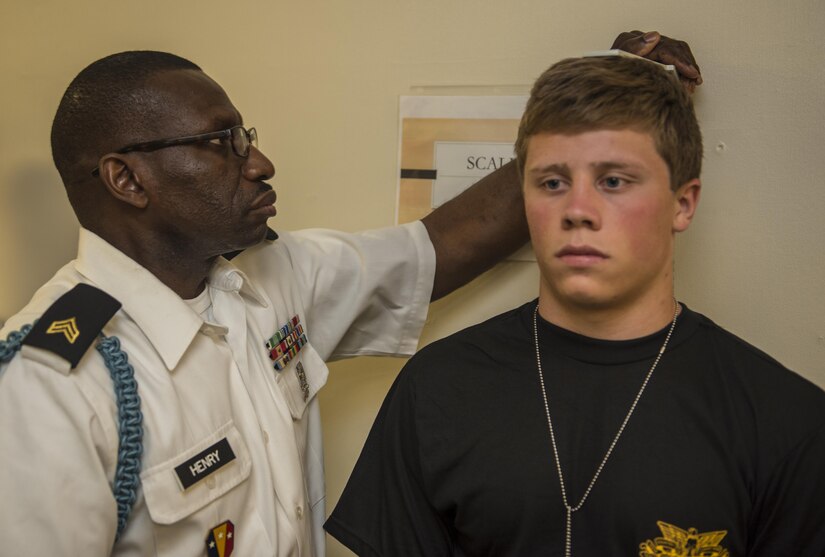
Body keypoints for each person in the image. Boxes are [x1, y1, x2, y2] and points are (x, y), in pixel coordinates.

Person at [0, 33, 699, 556]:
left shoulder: (268, 284)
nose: (259, 161)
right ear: (127, 180)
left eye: (246, 135)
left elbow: (437, 247)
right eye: (220, 141)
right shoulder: (52, 383)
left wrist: (608, 107)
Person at [325, 53, 825, 556]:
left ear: (683, 203)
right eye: (552, 183)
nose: (577, 211)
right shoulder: (435, 389)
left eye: (613, 181)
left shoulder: (785, 421)